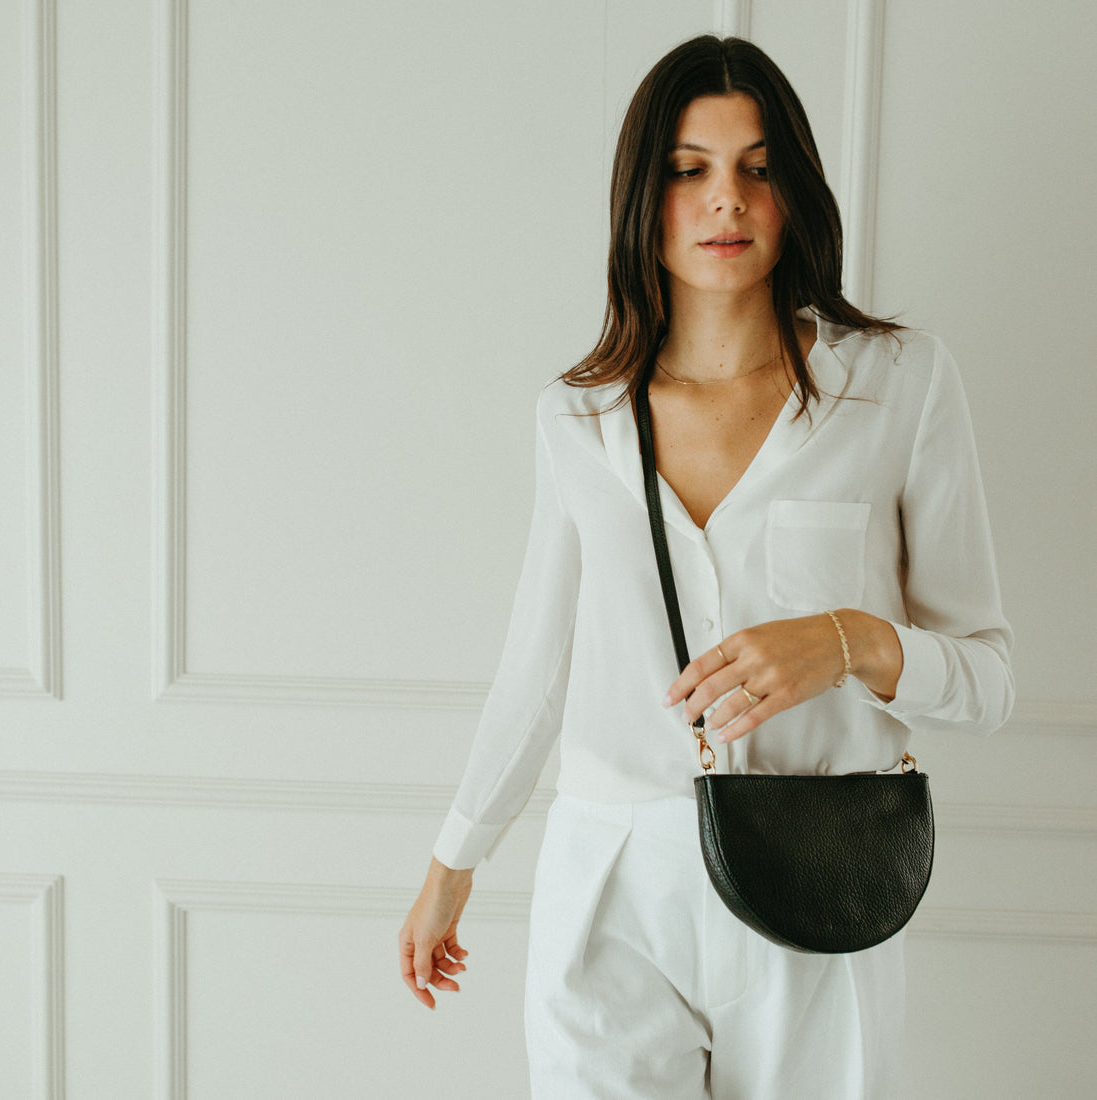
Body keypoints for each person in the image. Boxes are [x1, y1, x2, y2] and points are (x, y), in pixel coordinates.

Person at [398, 34, 1013, 1099]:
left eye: (756, 168)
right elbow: (534, 668)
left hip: (819, 880)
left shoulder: (895, 383)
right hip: (608, 881)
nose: (724, 199)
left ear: (793, 194)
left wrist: (845, 643)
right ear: (645, 194)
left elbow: (989, 682)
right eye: (688, 169)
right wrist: (452, 861)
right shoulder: (578, 418)